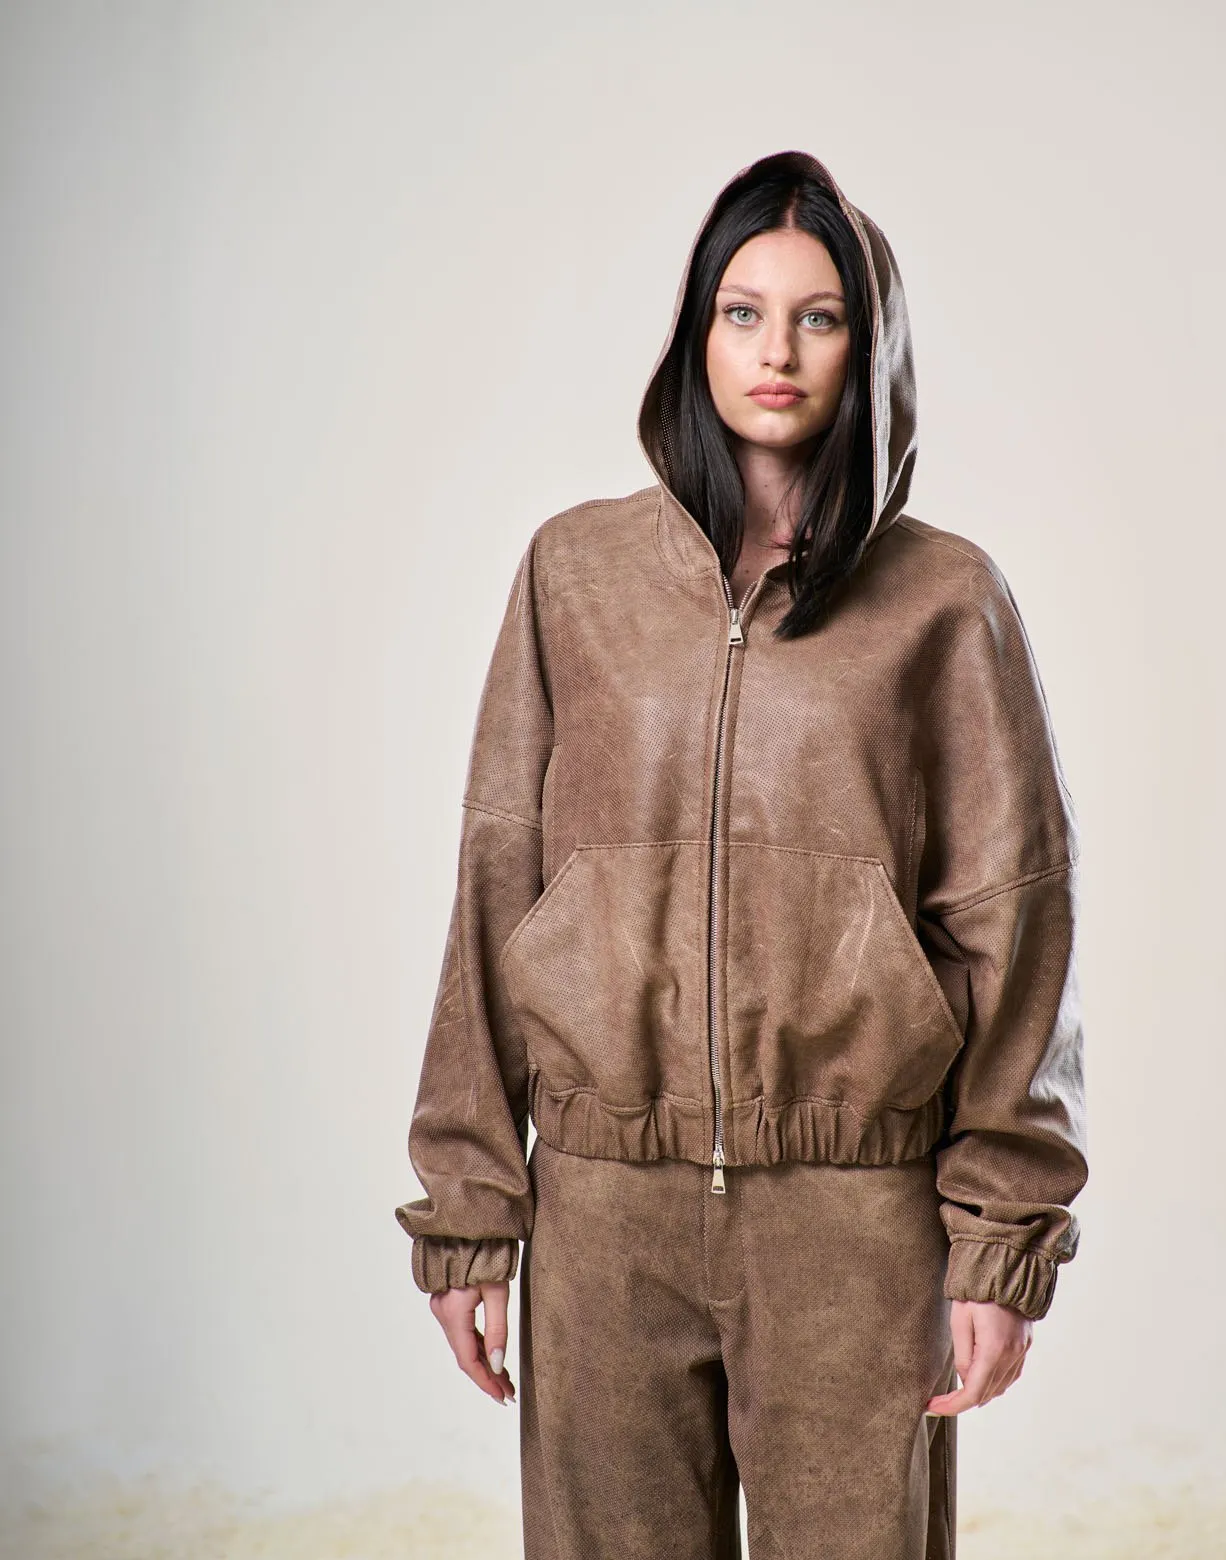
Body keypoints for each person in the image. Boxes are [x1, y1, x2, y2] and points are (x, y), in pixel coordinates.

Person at [394, 147, 1087, 1559]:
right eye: (743, 311)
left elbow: (1014, 925)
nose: (777, 351)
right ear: (696, 334)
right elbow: (497, 885)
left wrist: (999, 1240)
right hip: (604, 1218)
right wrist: (470, 1209)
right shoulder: (574, 576)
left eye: (818, 317)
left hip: (854, 1224)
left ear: (867, 348)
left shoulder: (946, 602)